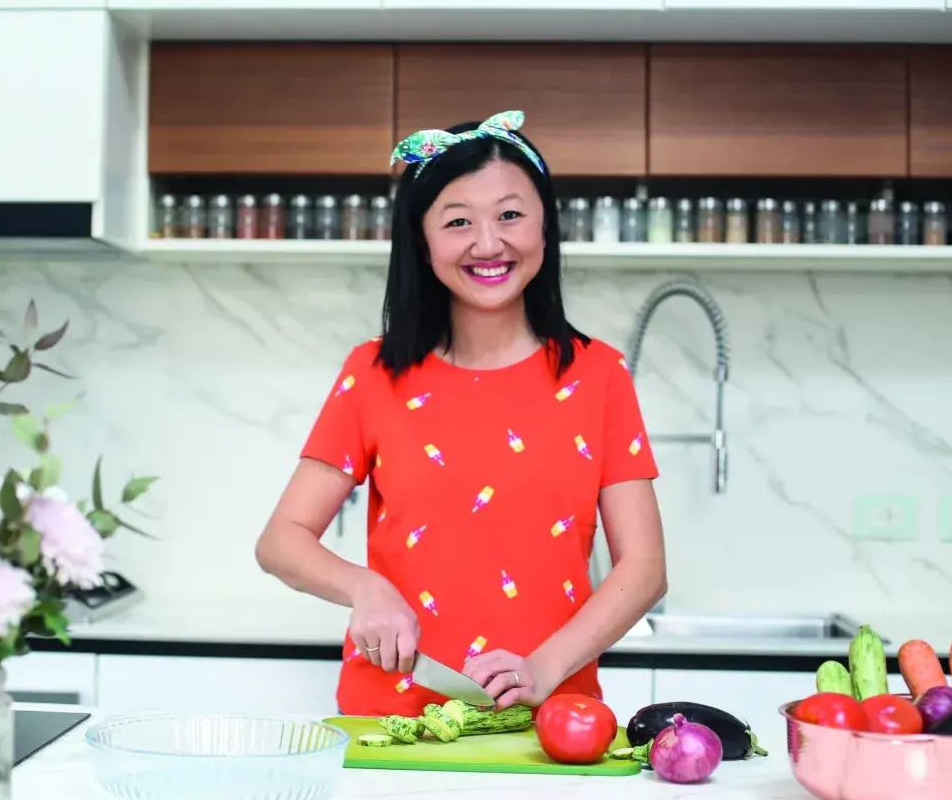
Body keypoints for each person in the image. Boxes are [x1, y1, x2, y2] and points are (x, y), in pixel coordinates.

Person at [255, 111, 667, 718]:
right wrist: (365, 587)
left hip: (551, 724)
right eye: (458, 222)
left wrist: (544, 668)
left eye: (510, 215)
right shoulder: (373, 373)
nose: (488, 244)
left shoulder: (599, 374)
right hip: (391, 720)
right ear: (422, 244)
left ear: (545, 227)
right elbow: (280, 541)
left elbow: (646, 567)